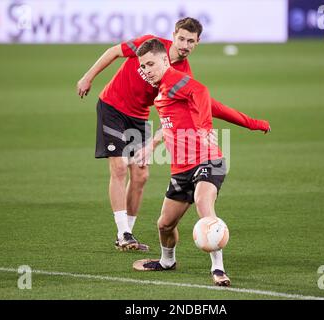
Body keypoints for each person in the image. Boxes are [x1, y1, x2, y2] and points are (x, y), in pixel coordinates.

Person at [77, 18, 270, 252]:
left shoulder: (182, 74)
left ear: (198, 43)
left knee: (140, 176)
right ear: (173, 35)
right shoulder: (151, 45)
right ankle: (123, 232)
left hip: (139, 116)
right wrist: (88, 77)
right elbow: (114, 52)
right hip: (112, 106)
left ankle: (127, 235)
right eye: (181, 38)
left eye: (191, 41)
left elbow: (184, 109)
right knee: (119, 167)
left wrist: (251, 123)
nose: (185, 44)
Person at [131, 38, 270, 287]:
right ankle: (167, 262)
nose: (146, 70)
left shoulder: (174, 81)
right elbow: (214, 107)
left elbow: (202, 92)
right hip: (181, 168)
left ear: (165, 59)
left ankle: (218, 269)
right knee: (165, 224)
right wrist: (254, 123)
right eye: (143, 66)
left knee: (203, 206)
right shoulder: (163, 91)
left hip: (208, 159)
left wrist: (205, 128)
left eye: (150, 64)